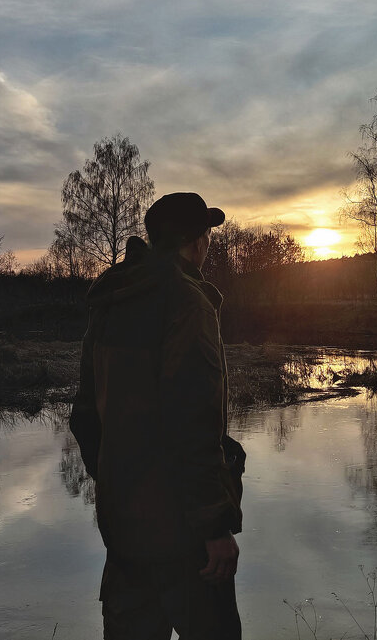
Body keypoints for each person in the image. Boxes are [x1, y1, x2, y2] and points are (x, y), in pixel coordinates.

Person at [69, 191, 245, 640]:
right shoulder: (188, 302)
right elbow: (193, 423)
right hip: (186, 540)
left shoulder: (112, 299)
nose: (209, 243)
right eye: (207, 233)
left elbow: (85, 418)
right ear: (196, 240)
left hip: (124, 532)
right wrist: (214, 525)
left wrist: (119, 486)